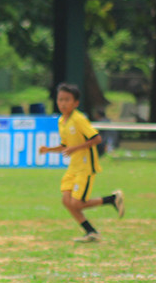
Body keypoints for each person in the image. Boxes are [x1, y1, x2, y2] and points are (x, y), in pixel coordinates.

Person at [38, 83, 125, 242]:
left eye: (67, 100)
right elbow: (66, 145)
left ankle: (111, 199)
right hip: (74, 166)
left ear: (76, 103)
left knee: (76, 204)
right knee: (67, 201)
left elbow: (96, 138)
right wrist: (48, 149)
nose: (63, 103)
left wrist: (75, 148)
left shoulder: (79, 119)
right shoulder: (62, 121)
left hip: (85, 167)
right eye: (60, 99)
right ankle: (91, 232)